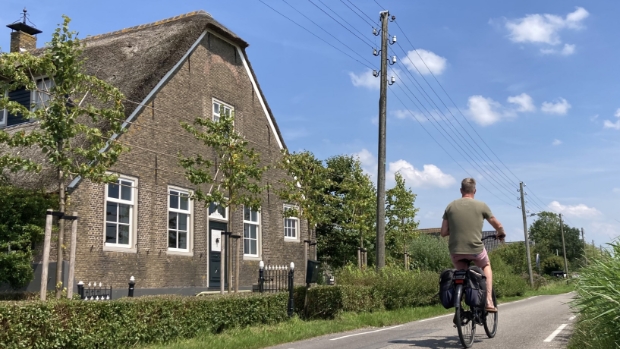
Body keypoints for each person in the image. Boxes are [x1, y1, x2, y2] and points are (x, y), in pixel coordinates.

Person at [440, 178, 506, 312]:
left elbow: (443, 232)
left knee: (461, 273)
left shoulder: (450, 206)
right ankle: (488, 301)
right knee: (486, 265)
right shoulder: (481, 205)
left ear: (461, 190)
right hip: (475, 249)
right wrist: (501, 233)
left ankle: (459, 309)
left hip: (456, 251)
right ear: (474, 190)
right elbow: (497, 225)